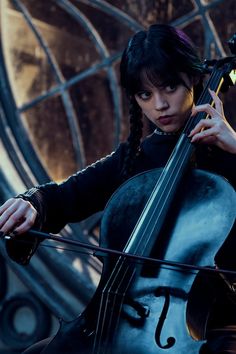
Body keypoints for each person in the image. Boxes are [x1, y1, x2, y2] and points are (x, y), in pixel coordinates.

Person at [0, 24, 235, 354]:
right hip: (124, 318)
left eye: (169, 87)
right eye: (145, 95)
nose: (159, 105)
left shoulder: (229, 153)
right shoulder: (133, 159)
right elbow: (66, 195)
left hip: (217, 325)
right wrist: (32, 202)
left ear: (193, 79)